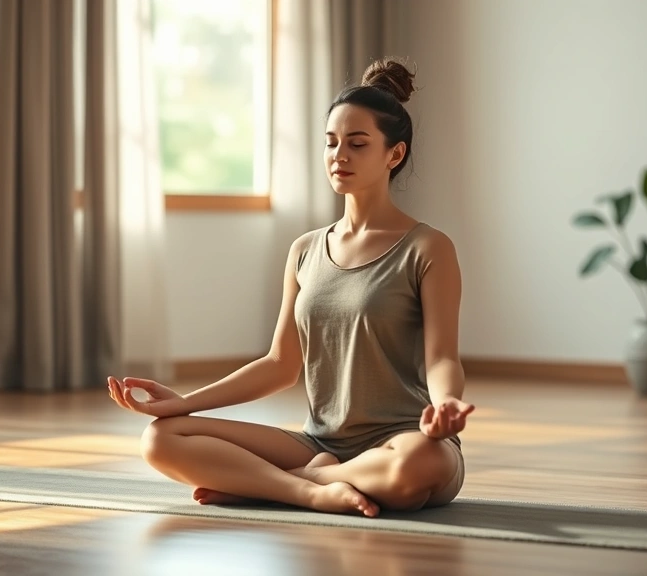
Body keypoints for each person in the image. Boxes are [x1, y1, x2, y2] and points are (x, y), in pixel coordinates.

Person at [108, 57, 474, 518]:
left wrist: (446, 407)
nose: (339, 155)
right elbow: (281, 364)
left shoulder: (428, 247)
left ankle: (280, 486)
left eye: (357, 144)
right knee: (161, 438)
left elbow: (441, 356)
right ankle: (311, 491)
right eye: (331, 143)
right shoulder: (304, 250)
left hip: (402, 441)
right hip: (317, 441)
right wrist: (184, 402)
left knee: (421, 466)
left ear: (393, 155)